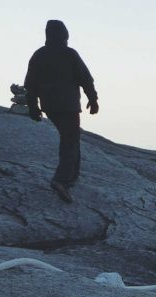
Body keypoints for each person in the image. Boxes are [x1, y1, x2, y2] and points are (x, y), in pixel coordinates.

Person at [24, 20, 99, 203]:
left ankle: (73, 176)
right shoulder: (69, 54)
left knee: (71, 138)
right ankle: (61, 180)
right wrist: (93, 99)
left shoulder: (39, 55)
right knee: (70, 141)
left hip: (49, 106)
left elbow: (30, 85)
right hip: (68, 105)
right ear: (64, 34)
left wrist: (33, 107)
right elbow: (86, 79)